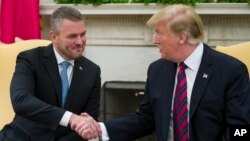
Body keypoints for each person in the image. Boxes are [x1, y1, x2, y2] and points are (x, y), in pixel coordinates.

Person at [75, 4, 250, 141]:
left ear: (182, 37)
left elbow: (241, 130)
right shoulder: (158, 69)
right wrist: (101, 129)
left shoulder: (231, 71)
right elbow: (146, 118)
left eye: (159, 33)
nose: (154, 40)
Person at [0, 6, 101, 141]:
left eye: (82, 34)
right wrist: (70, 118)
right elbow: (21, 100)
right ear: (54, 37)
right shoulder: (30, 59)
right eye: (72, 36)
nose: (80, 41)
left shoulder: (92, 71)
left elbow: (89, 121)